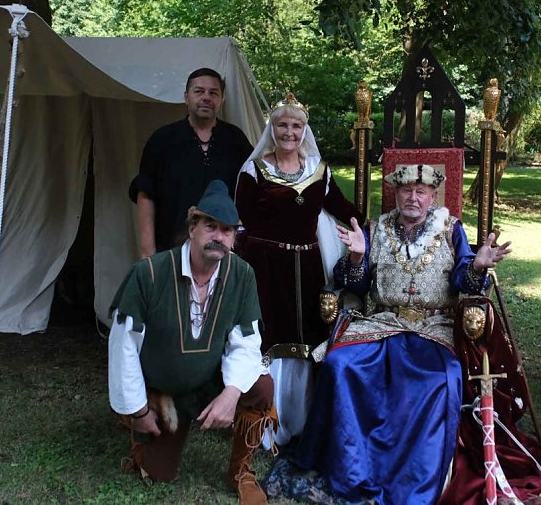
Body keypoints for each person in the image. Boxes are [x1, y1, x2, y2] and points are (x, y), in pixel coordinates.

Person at [292, 163, 511, 505]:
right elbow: (357, 283)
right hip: (381, 322)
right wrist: (356, 256)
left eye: (420, 191)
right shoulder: (375, 228)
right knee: (339, 364)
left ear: (432, 196)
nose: (413, 197)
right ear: (395, 194)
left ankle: (416, 478)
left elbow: (462, 281)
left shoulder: (452, 229)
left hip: (432, 326)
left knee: (443, 376)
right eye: (406, 190)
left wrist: (478, 265)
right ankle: (344, 464)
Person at [108, 180, 276, 505]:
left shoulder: (242, 275)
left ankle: (241, 471)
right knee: (158, 474)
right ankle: (149, 415)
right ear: (192, 228)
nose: (219, 237)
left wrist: (231, 393)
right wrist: (138, 410)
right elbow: (122, 347)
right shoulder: (149, 274)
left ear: (235, 238)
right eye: (211, 226)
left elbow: (247, 341)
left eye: (227, 231)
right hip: (166, 388)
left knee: (262, 388)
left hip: (210, 379)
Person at [234, 92, 364, 446]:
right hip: (265, 269)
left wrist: (376, 227)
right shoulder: (254, 171)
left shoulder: (318, 171)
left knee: (308, 341)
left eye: (296, 125)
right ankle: (264, 423)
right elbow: (240, 221)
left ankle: (303, 422)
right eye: (282, 125)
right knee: (268, 339)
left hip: (307, 268)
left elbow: (342, 206)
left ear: (305, 130)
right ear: (271, 128)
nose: (289, 132)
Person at [129, 67, 253, 257]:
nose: (206, 97)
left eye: (213, 93)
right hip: (171, 249)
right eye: (199, 91)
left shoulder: (236, 141)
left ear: (222, 99)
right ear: (186, 97)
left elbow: (251, 195)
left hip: (222, 252)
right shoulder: (163, 140)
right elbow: (146, 195)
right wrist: (148, 252)